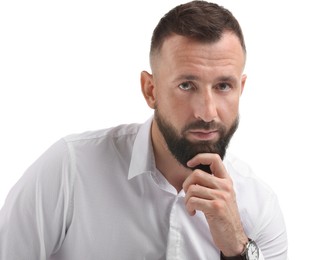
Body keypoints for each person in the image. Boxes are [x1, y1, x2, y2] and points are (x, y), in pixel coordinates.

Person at [0, 1, 288, 259]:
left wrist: (237, 248)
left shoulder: (259, 207)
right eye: (186, 85)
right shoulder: (70, 169)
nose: (207, 112)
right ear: (151, 91)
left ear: (241, 89)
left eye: (224, 86)